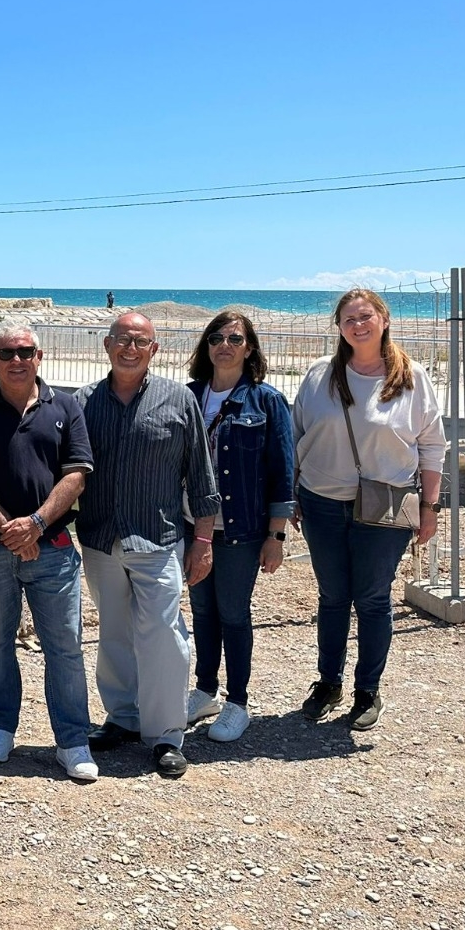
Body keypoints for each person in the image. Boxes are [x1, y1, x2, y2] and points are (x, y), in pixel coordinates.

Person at [0, 325, 97, 782]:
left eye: (25, 351)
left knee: (66, 648)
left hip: (52, 549)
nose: (17, 359)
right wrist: (8, 528)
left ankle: (72, 741)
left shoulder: (66, 405)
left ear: (40, 356)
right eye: (7, 352)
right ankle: (0, 727)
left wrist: (34, 524)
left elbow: (76, 473)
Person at [292, 289, 445, 730]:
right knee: (333, 597)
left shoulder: (411, 376)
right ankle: (328, 682)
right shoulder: (320, 374)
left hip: (385, 507)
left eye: (365, 316)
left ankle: (367, 690)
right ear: (338, 326)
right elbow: (297, 434)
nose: (357, 325)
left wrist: (430, 508)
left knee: (373, 598)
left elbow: (432, 446)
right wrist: (292, 495)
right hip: (321, 502)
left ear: (384, 318)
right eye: (348, 318)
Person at [76, 313, 219, 779]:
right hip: (100, 539)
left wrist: (202, 539)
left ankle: (166, 736)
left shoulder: (178, 399)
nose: (130, 348)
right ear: (106, 345)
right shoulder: (83, 402)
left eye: (140, 341)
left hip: (157, 539)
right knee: (114, 633)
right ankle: (123, 717)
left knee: (162, 635)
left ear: (154, 349)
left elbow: (201, 476)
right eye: (122, 340)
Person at [183, 311, 296, 744]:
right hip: (194, 525)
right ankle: (205, 689)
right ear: (206, 346)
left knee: (233, 612)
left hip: (242, 530)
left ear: (249, 348)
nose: (224, 345)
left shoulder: (265, 401)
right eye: (216, 338)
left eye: (234, 338)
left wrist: (276, 535)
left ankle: (238, 701)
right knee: (203, 611)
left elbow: (281, 471)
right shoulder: (188, 396)